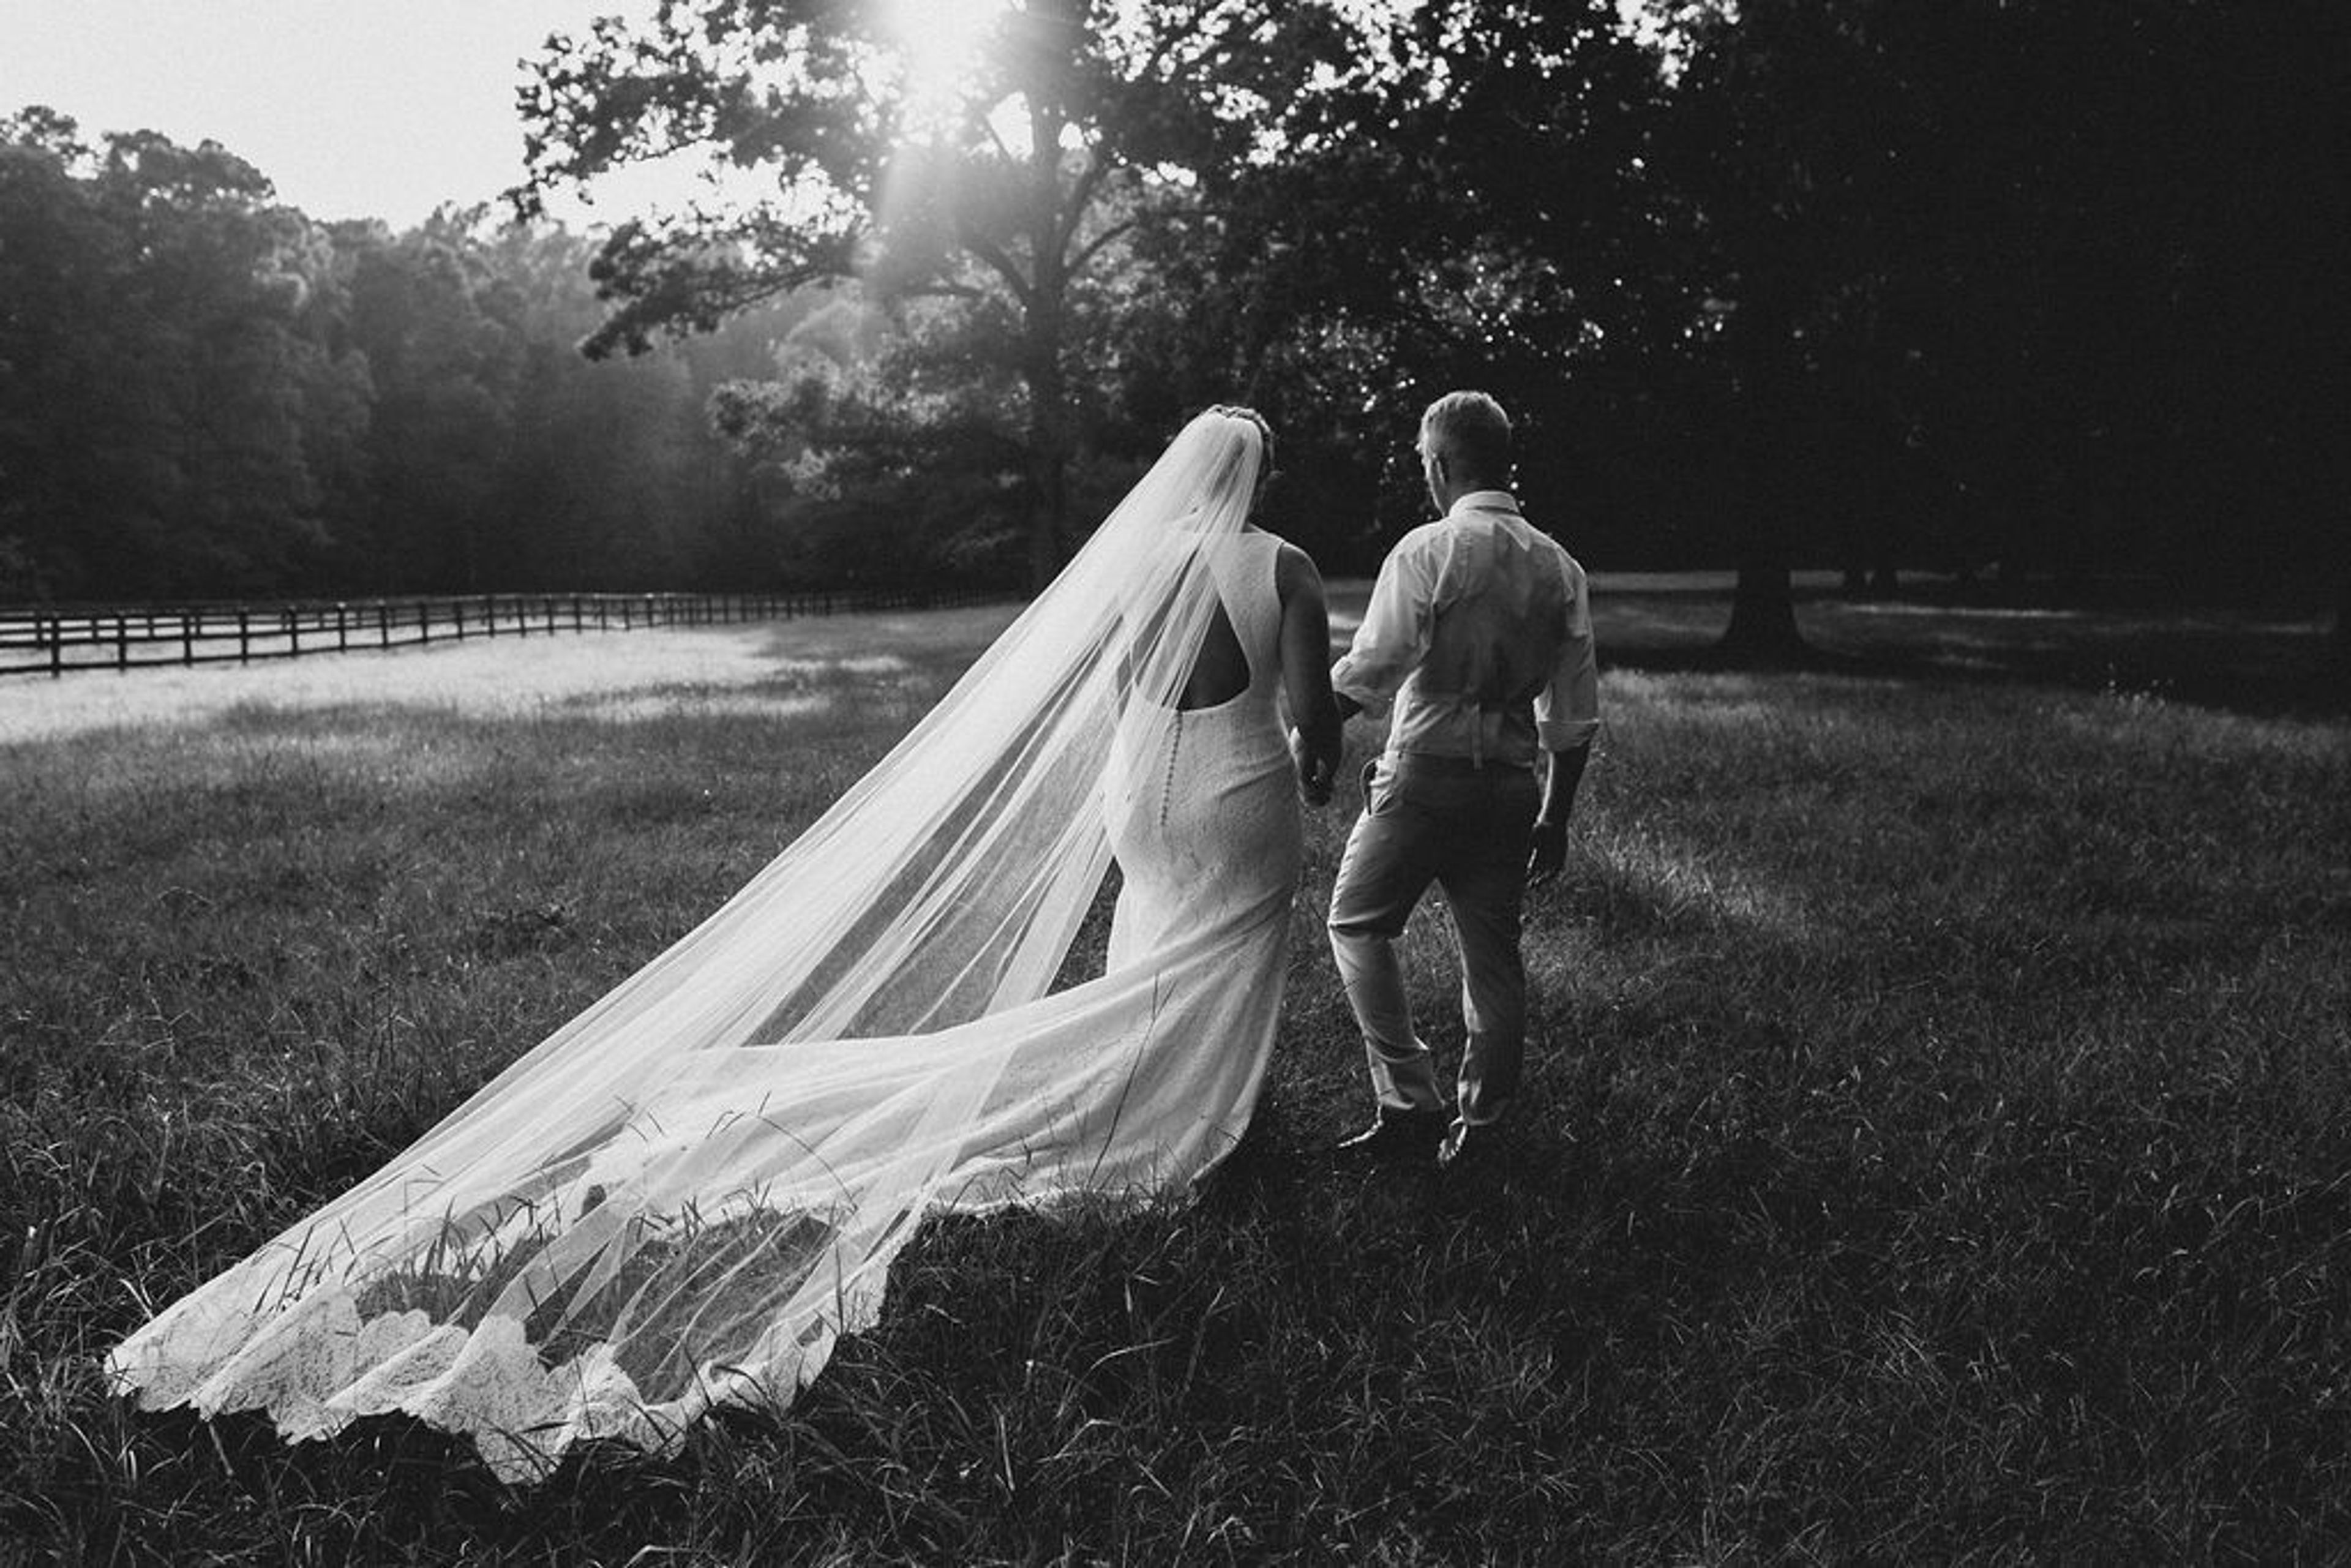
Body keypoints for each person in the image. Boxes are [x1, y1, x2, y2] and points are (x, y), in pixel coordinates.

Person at [105, 407, 1343, 1482]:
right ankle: (1187, 1102)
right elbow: (1307, 719)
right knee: (1218, 952)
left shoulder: (1139, 567)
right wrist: (1333, 754)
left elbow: (1125, 695)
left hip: (1143, 792)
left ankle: (1138, 1076)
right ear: (1260, 477)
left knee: (1150, 951)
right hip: (1237, 790)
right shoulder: (1281, 565)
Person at [1324, 390, 1599, 1171]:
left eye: (1425, 463)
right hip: (1511, 788)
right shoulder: (1560, 566)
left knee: (1356, 923)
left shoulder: (1429, 550)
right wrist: (1556, 817)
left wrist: (1311, 726)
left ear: (1440, 465)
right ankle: (1482, 1127)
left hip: (1423, 777)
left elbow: (1376, 665)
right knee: (1494, 958)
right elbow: (1572, 714)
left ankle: (1409, 1102)